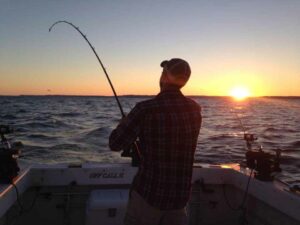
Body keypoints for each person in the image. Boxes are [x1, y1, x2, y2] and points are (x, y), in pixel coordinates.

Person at [109, 58, 202, 225]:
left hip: (149, 196)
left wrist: (124, 124)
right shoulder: (195, 109)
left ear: (165, 76)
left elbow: (115, 143)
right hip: (179, 199)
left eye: (163, 72)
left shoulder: (145, 109)